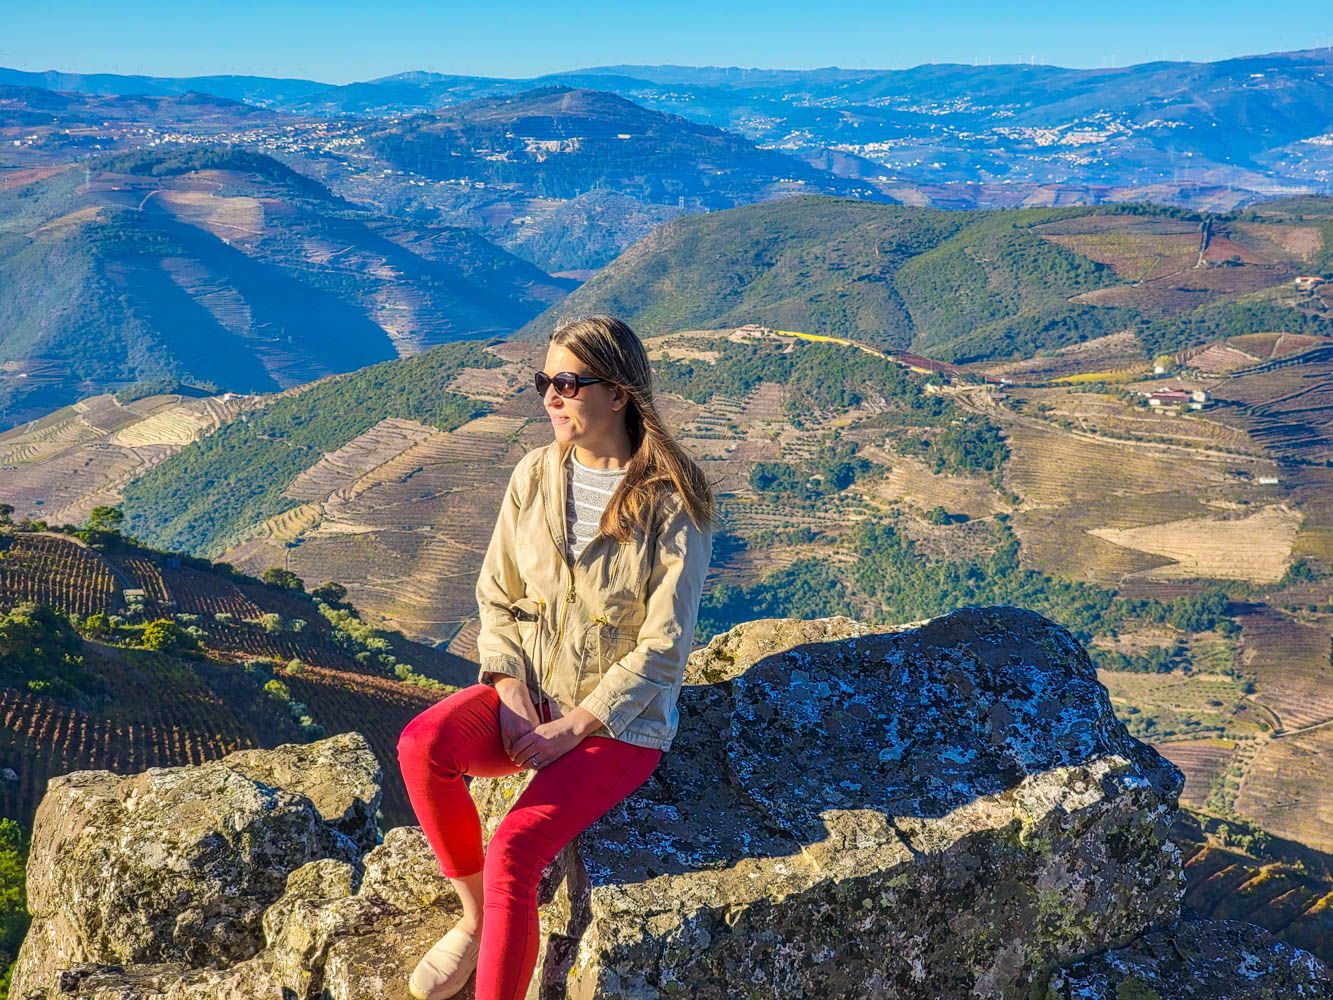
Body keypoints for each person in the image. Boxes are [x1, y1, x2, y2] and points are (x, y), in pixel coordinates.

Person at [395, 314, 716, 1000]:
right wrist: (510, 691)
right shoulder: (536, 475)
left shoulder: (670, 500)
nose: (550, 396)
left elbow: (664, 644)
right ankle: (477, 920)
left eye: (568, 383)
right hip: (532, 696)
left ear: (619, 393)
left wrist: (576, 725)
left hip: (620, 726)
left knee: (515, 848)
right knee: (423, 744)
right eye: (545, 380)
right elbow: (498, 596)